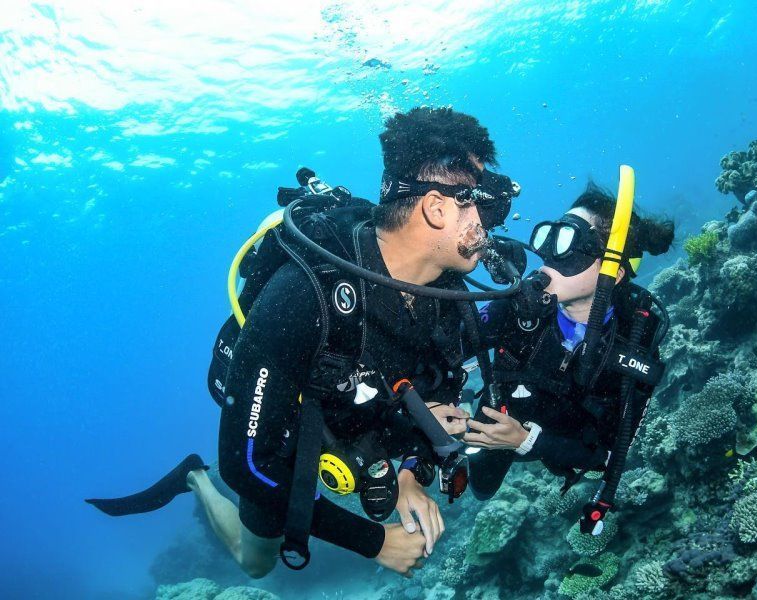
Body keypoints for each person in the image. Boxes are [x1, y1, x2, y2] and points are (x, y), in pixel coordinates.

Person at [86, 107, 520, 577]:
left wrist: (410, 472)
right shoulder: (303, 296)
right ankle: (194, 476)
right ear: (436, 208)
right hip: (292, 433)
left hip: (360, 421)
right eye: (482, 203)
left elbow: (440, 390)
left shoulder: (445, 291)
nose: (491, 223)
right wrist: (372, 541)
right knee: (256, 563)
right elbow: (246, 465)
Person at [463, 179, 674, 530]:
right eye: (550, 237)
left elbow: (606, 455)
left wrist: (527, 440)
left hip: (559, 436)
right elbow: (446, 345)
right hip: (503, 413)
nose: (549, 256)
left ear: (614, 272)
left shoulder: (634, 339)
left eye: (570, 245)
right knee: (481, 487)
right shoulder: (521, 306)